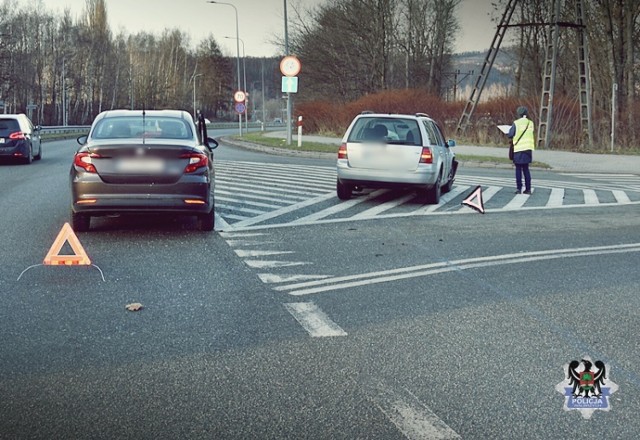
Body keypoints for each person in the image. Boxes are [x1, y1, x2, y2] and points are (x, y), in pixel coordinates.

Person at [508, 106, 535, 194]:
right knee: (526, 169)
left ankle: (519, 188)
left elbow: (511, 134)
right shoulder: (530, 123)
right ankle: (528, 189)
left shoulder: (516, 123)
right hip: (528, 149)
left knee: (518, 169)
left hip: (519, 149)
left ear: (518, 114)